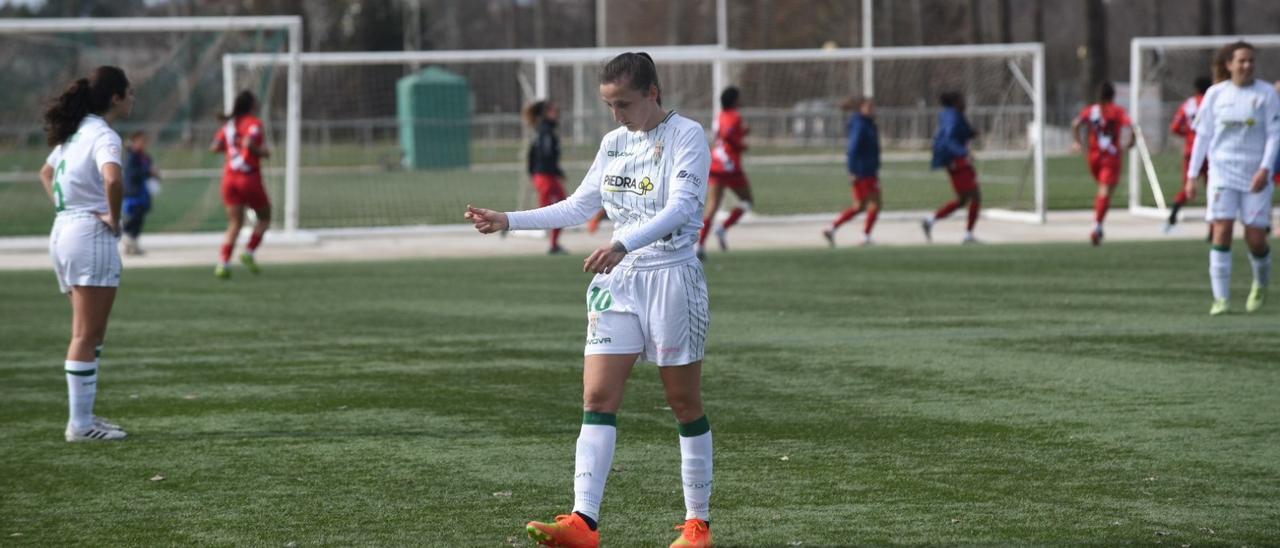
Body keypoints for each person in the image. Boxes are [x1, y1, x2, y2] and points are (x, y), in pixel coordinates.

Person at [465, 51, 714, 548]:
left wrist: (623, 242)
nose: (617, 114)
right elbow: (581, 204)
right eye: (609, 105)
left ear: (653, 94)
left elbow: (682, 206)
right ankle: (584, 523)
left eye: (624, 103)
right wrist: (509, 219)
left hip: (670, 277)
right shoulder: (614, 143)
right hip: (618, 282)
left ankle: (696, 525)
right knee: (597, 399)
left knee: (682, 402)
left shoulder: (687, 136)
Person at [39, 66, 134, 442]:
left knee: (90, 333)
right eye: (130, 92)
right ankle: (79, 424)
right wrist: (112, 216)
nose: (133, 99)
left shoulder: (73, 133)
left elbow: (45, 174)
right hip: (88, 234)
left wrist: (71, 208)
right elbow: (113, 178)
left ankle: (86, 415)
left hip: (64, 230)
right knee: (85, 333)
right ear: (115, 97)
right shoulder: (103, 135)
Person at [1185, 41, 1280, 315]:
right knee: (1221, 230)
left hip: (1256, 176)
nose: (1247, 65)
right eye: (1241, 61)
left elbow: (1275, 135)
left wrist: (1265, 168)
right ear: (1229, 64)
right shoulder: (1215, 95)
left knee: (1256, 238)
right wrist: (1192, 176)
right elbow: (1202, 138)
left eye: (1251, 61)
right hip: (1222, 173)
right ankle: (1221, 299)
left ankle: (1260, 283)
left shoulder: (1266, 94)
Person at [211, 90, 271, 279]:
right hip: (248, 177)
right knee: (265, 217)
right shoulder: (254, 124)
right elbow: (249, 142)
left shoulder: (229, 125)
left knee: (235, 223)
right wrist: (262, 152)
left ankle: (223, 263)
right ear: (252, 105)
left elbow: (215, 147)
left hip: (229, 179)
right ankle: (249, 252)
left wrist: (230, 149)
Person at [1071, 82, 1134, 246]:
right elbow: (1130, 125)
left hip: (1093, 157)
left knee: (1103, 191)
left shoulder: (1092, 110)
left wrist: (1077, 142)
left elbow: (1076, 123)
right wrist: (1131, 141)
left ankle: (1099, 224)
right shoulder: (1118, 111)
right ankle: (1097, 226)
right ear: (1113, 95)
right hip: (1110, 157)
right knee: (1106, 192)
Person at [698, 86, 752, 259]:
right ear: (735, 100)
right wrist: (740, 145)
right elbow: (728, 135)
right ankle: (723, 227)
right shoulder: (735, 115)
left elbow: (723, 133)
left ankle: (700, 245)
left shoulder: (720, 116)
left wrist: (743, 132)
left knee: (712, 206)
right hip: (730, 166)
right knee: (748, 201)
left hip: (716, 163)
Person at [921, 91, 980, 243]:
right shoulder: (952, 116)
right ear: (955, 102)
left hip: (954, 161)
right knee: (975, 197)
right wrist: (964, 152)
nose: (965, 103)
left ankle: (930, 220)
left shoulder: (952, 114)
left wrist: (971, 133)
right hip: (957, 161)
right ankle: (968, 235)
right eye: (962, 99)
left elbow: (959, 133)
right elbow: (949, 139)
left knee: (962, 200)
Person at [823, 96, 881, 247]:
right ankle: (865, 236)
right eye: (868, 107)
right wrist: (852, 170)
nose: (871, 109)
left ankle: (832, 228)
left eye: (872, 106)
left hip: (868, 170)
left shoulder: (868, 124)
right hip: (863, 172)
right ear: (860, 108)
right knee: (875, 204)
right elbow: (853, 149)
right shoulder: (860, 125)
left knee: (860, 206)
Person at [1165, 76, 1213, 232]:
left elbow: (1175, 127)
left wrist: (1189, 135)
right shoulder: (1213, 101)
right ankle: (1212, 228)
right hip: (1211, 151)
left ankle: (1173, 214)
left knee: (1188, 186)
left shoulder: (1189, 104)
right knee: (1213, 189)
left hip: (1192, 151)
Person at [525, 99, 570, 254]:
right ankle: (512, 224)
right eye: (554, 111)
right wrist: (554, 171)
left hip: (545, 176)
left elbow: (533, 155)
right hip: (545, 177)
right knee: (559, 210)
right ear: (546, 113)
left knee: (560, 210)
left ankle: (554, 244)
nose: (558, 114)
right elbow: (545, 156)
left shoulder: (543, 130)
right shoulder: (545, 132)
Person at [121, 131, 159, 255]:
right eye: (141, 141)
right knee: (133, 217)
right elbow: (132, 174)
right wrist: (148, 172)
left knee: (140, 219)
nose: (143, 144)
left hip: (143, 192)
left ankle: (133, 244)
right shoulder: (131, 156)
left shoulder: (145, 157)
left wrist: (154, 174)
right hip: (133, 192)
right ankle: (126, 237)